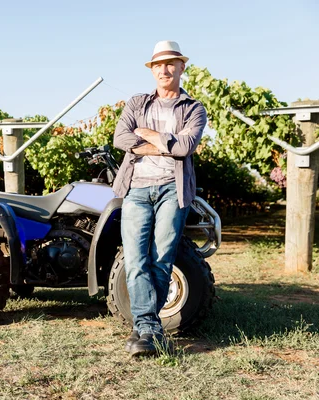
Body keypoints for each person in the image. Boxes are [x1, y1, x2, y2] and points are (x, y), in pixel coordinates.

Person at [112, 40, 207, 357]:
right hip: (136, 189)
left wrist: (149, 135)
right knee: (136, 261)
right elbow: (121, 138)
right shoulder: (137, 103)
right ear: (152, 70)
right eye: (158, 65)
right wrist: (165, 142)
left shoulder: (193, 108)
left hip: (171, 189)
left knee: (161, 260)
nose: (164, 69)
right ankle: (148, 328)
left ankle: (145, 329)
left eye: (170, 63)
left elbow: (185, 147)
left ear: (182, 67)